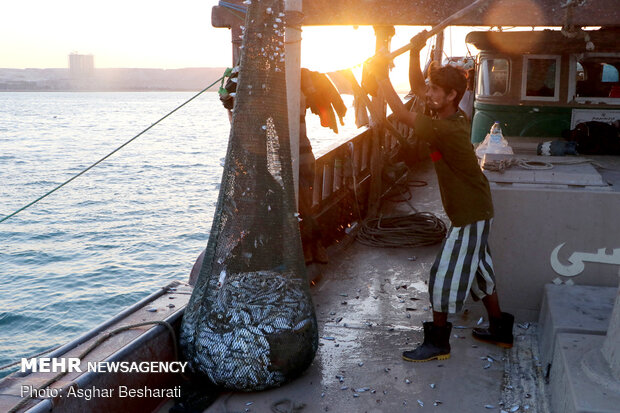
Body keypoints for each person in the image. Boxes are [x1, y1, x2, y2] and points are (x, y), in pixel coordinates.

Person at [368, 31, 514, 362]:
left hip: (469, 214)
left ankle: (438, 343)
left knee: (442, 276)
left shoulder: (444, 128)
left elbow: (401, 112)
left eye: (436, 90)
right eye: (431, 88)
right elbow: (419, 91)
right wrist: (414, 53)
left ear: (451, 95)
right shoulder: (450, 116)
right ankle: (499, 330)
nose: (428, 93)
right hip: (474, 210)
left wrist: (379, 76)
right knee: (482, 273)